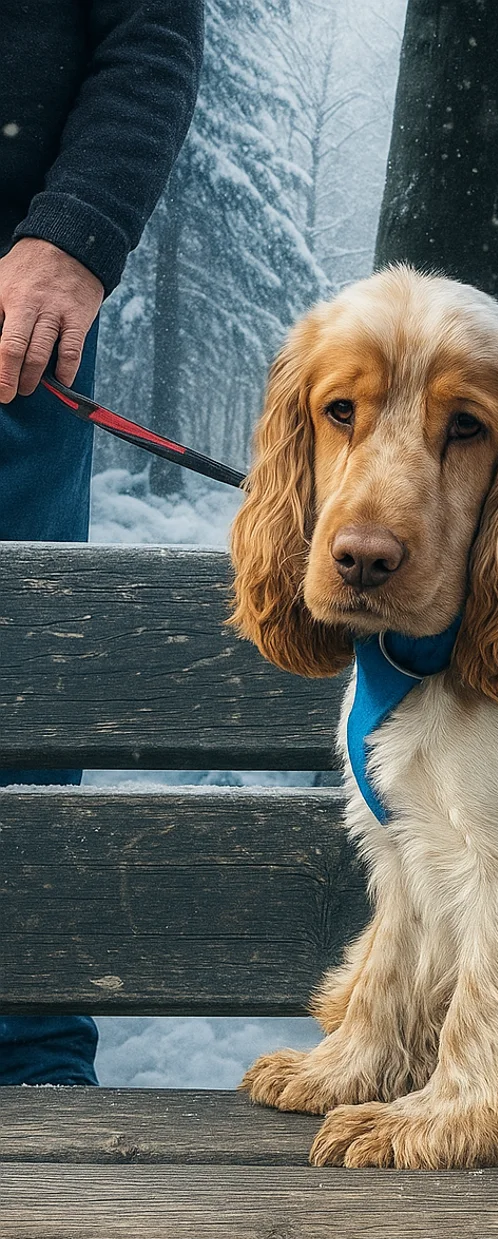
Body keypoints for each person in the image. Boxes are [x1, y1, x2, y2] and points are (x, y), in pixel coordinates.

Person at [0, 1, 204, 1085]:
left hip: (7, 330)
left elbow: (151, 39)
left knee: (19, 703)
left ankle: (28, 1068)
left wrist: (73, 233)